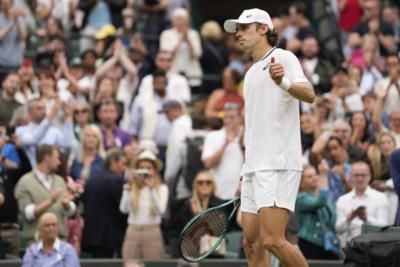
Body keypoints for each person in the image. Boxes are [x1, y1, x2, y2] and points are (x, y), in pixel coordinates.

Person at [223, 8, 315, 267]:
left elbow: (309, 94)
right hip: (254, 167)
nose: (238, 34)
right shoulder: (250, 73)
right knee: (251, 244)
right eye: (236, 29)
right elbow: (253, 128)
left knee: (273, 240)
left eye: (244, 28)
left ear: (263, 29)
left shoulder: (284, 57)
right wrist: (245, 170)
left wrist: (284, 82)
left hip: (278, 164)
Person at [14, 144, 76, 244]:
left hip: (60, 241)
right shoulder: (25, 182)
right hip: (36, 241)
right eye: (56, 158)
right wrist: (50, 201)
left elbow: (69, 212)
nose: (59, 162)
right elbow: (28, 214)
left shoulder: (59, 180)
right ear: (47, 158)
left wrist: (67, 205)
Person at [120, 150, 168, 260]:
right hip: (133, 230)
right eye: (141, 167)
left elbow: (161, 211)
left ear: (155, 170)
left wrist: (151, 190)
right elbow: (123, 210)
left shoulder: (161, 188)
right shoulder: (130, 187)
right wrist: (128, 187)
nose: (145, 171)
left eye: (149, 167)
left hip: (152, 231)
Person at [335, 161, 390, 242]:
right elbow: (338, 229)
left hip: (375, 246)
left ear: (369, 176)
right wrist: (348, 219)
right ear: (351, 177)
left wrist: (367, 219)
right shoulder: (343, 200)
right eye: (356, 175)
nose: (359, 178)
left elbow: (385, 227)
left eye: (363, 175)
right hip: (353, 247)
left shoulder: (381, 198)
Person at [295, 165, 339, 260]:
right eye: (309, 177)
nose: (314, 178)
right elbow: (317, 203)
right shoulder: (301, 198)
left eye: (315, 174)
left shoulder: (325, 197)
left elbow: (333, 218)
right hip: (309, 242)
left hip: (326, 242)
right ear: (302, 183)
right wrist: (323, 177)